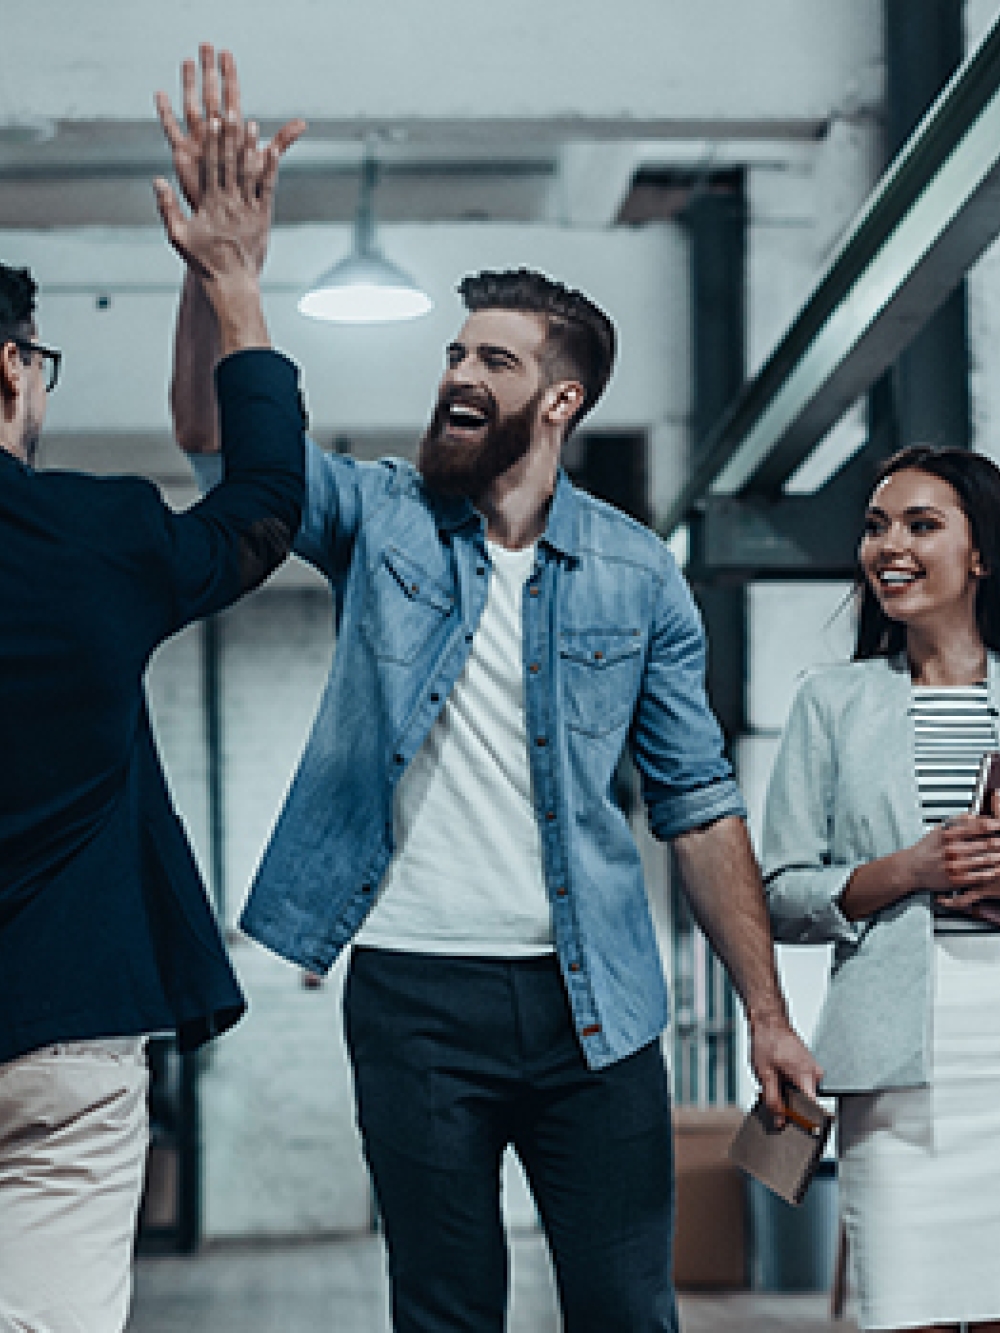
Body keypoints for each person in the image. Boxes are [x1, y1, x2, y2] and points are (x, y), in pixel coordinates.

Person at [167, 54, 820, 1333]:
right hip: (414, 993)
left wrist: (767, 1013)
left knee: (626, 1311)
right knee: (444, 1311)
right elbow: (216, 439)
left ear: (559, 401)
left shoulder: (637, 576)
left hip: (595, 1005)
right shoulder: (380, 519)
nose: (458, 373)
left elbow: (697, 806)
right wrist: (220, 279)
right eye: (456, 351)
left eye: (494, 360)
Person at [0, 53, 306, 1333]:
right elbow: (258, 508)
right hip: (66, 1032)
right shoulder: (94, 537)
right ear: (13, 371)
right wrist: (229, 282)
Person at [762, 445, 1000, 1333]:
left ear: (980, 554)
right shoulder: (831, 703)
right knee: (907, 1314)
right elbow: (780, 892)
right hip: (895, 1062)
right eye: (875, 525)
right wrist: (911, 870)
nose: (888, 545)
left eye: (921, 524)